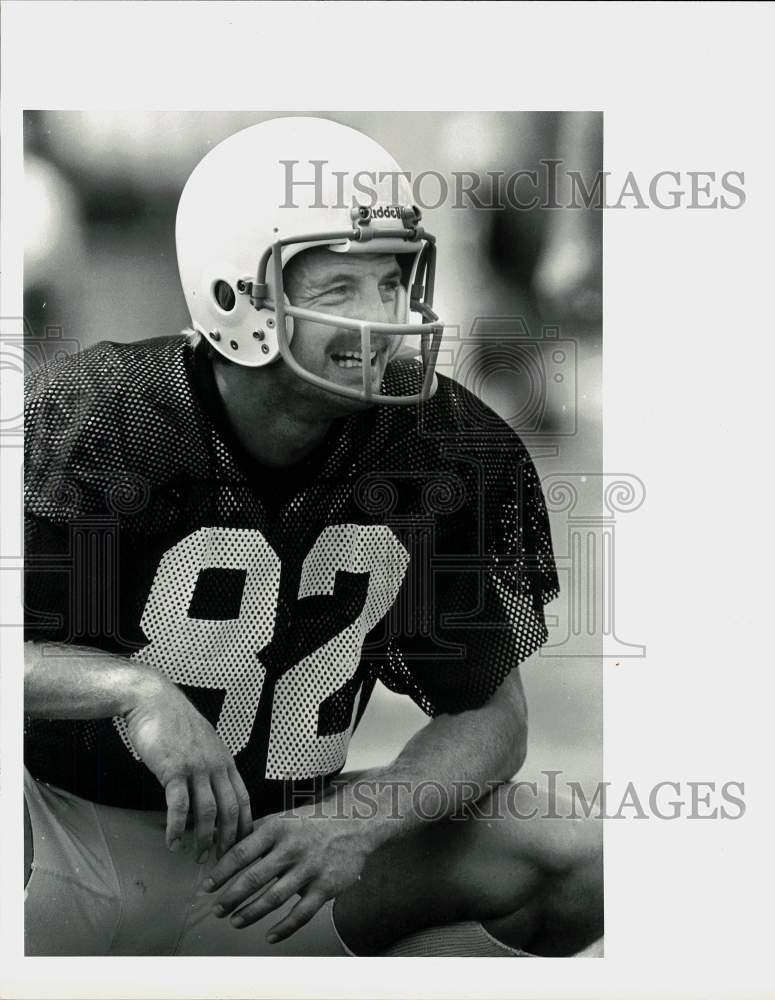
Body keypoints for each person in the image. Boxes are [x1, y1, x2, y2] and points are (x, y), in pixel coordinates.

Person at [23, 116, 602, 957]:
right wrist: (130, 691)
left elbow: (492, 720)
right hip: (56, 831)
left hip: (273, 847)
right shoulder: (100, 421)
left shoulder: (442, 447)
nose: (387, 318)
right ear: (235, 298)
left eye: (395, 282)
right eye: (338, 292)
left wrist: (353, 824)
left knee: (581, 857)